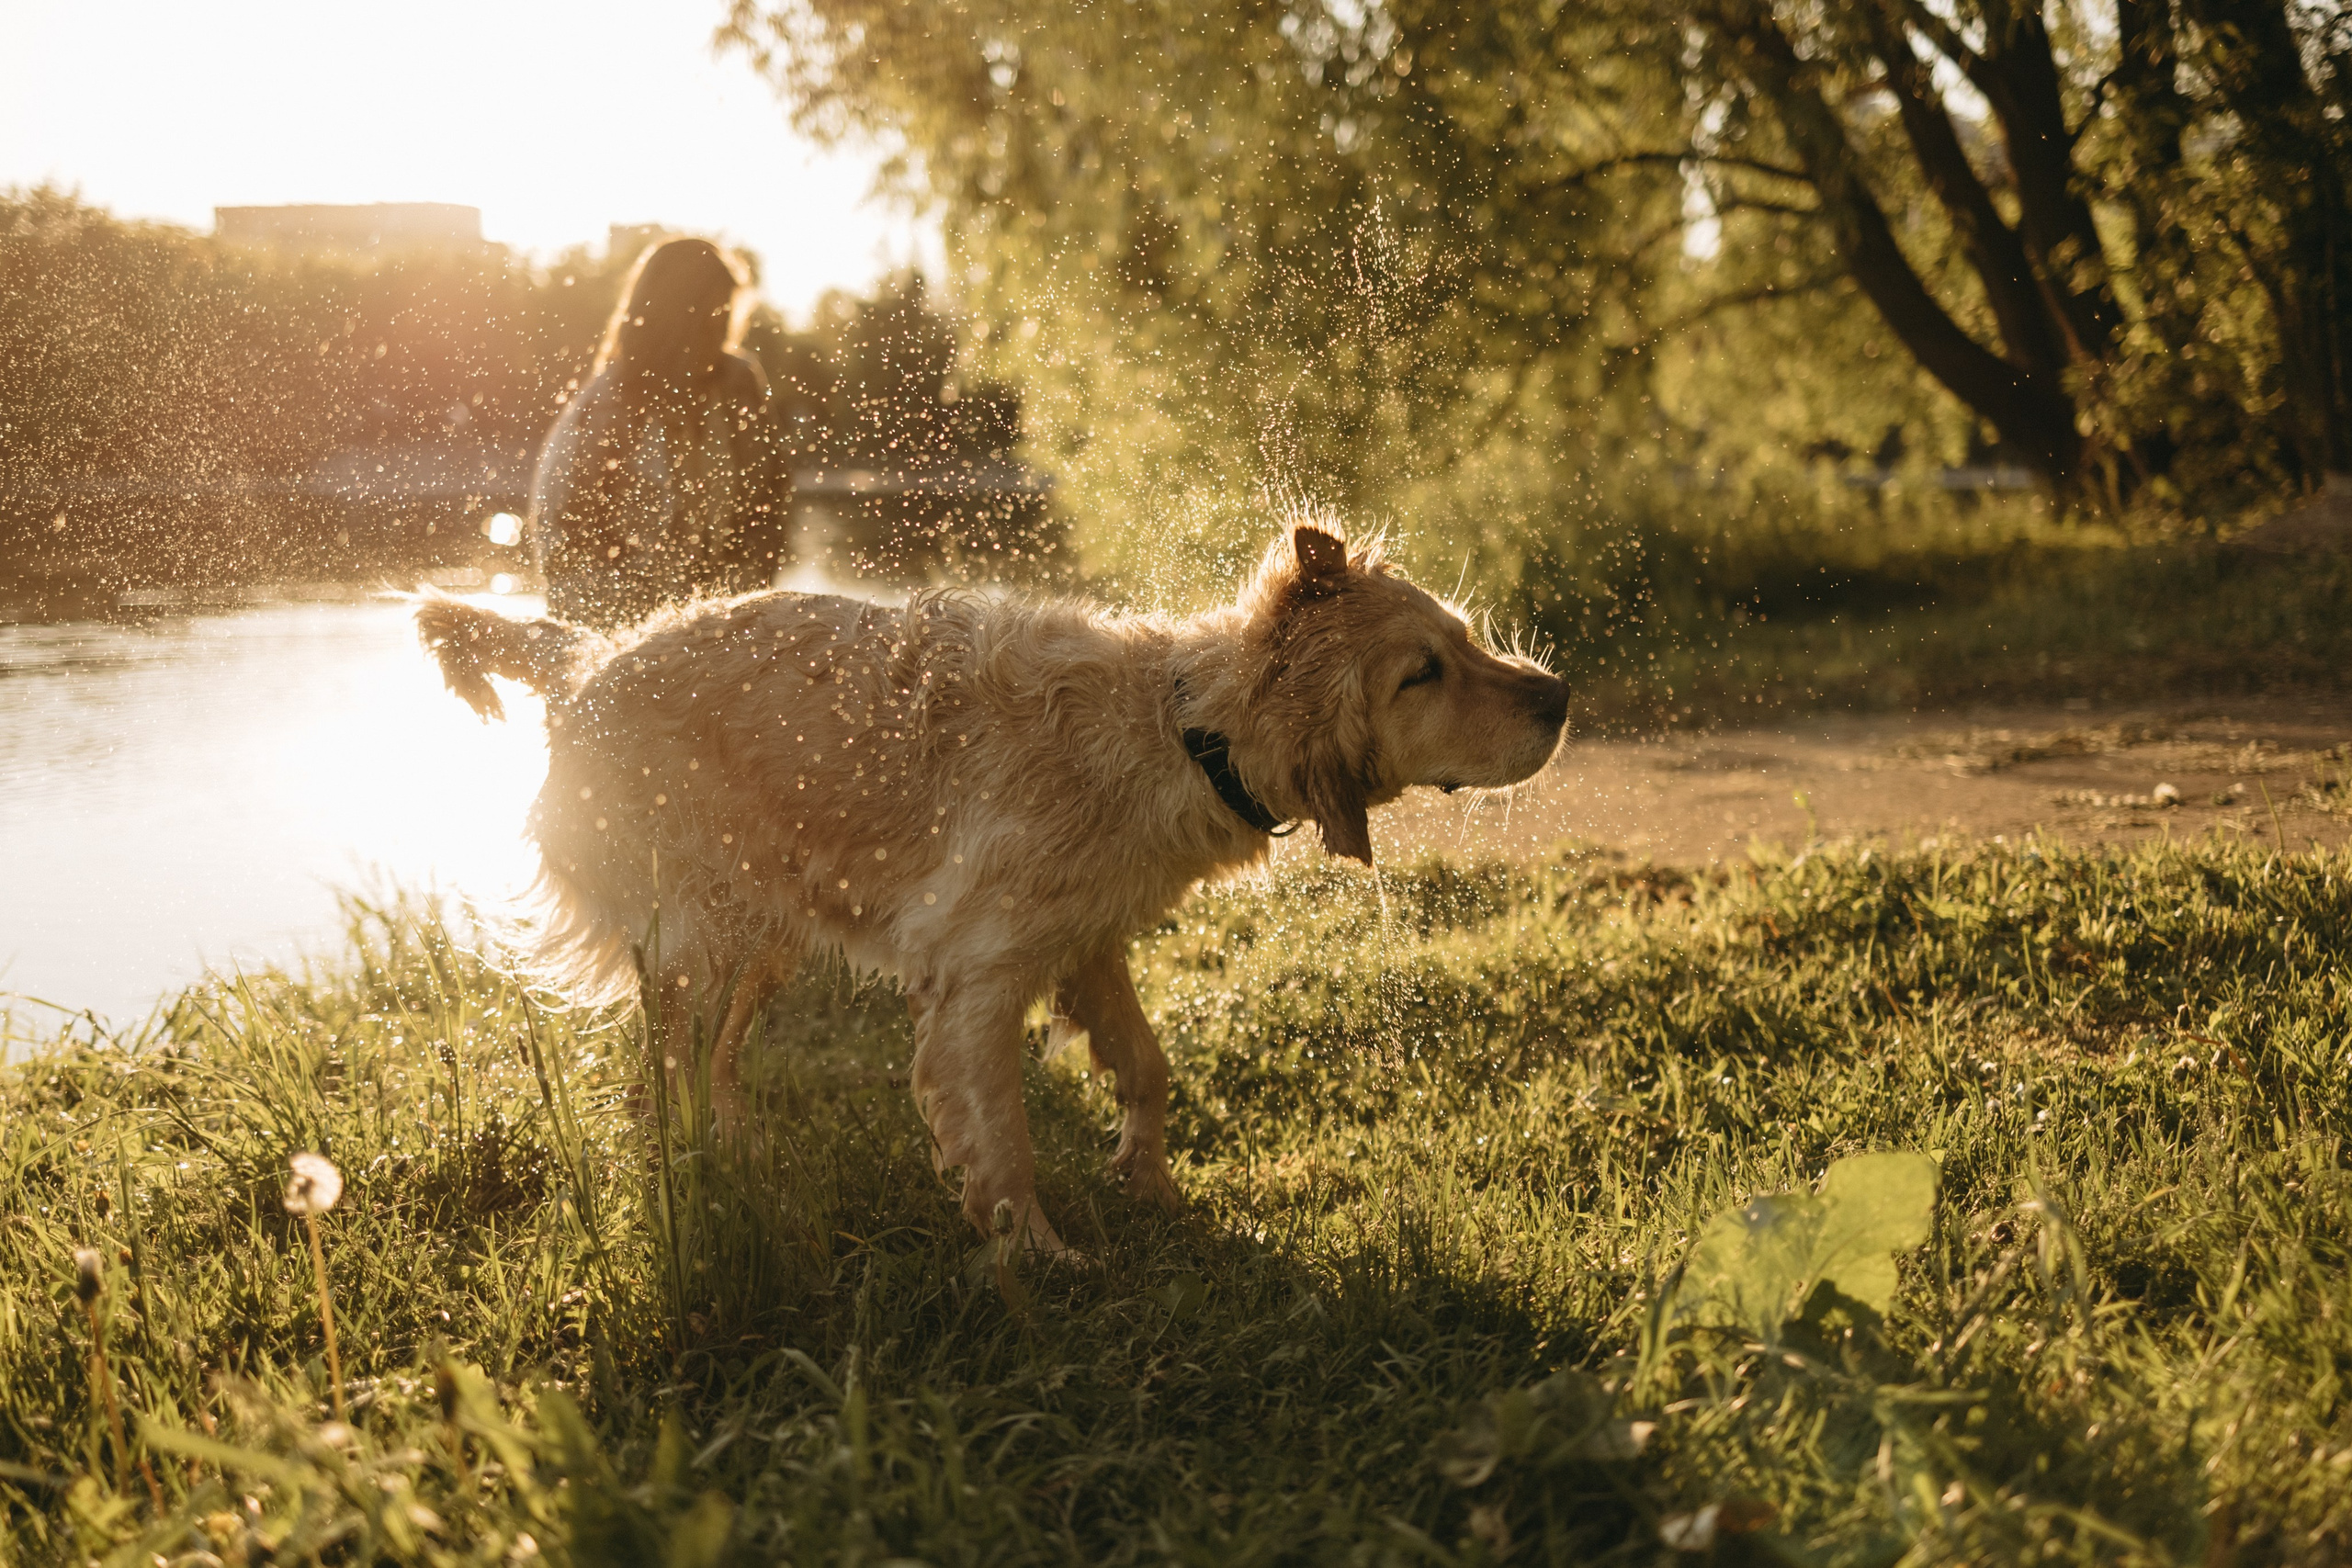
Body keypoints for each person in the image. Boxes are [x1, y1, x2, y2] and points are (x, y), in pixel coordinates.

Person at [527, 238, 787, 628]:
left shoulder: (738, 383)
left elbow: (770, 503)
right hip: (621, 636)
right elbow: (566, 553)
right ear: (671, 318)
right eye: (707, 318)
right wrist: (654, 638)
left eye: (726, 316)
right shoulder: (606, 408)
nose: (719, 333)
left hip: (723, 633)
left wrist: (735, 616)